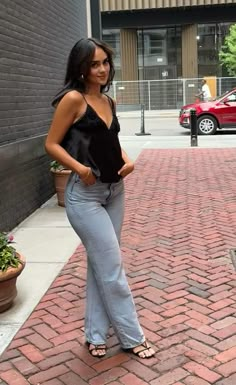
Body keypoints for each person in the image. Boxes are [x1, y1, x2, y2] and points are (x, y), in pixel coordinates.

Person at [45, 38, 155, 359]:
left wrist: (127, 160)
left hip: (115, 191)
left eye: (105, 62)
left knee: (101, 264)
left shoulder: (109, 102)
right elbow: (51, 144)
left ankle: (95, 334)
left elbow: (111, 139)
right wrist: (80, 168)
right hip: (86, 197)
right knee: (113, 269)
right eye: (94, 64)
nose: (102, 69)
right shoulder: (73, 99)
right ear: (81, 67)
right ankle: (132, 336)